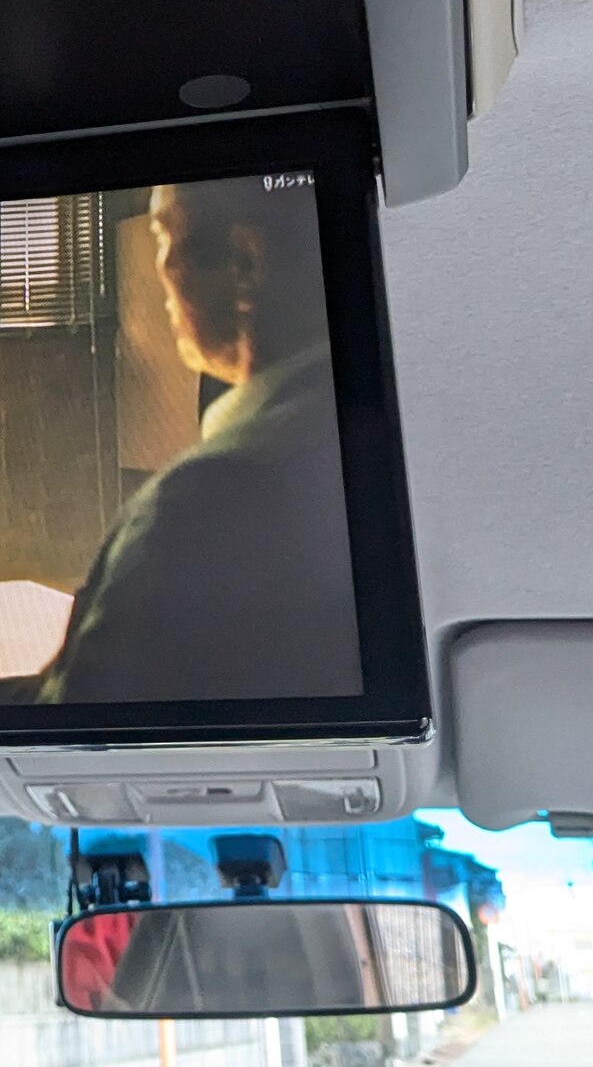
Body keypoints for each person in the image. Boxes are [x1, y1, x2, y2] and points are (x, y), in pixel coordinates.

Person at [37, 178, 365, 702]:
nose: (160, 268)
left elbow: (82, 720)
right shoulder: (359, 443)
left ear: (245, 262)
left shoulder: (199, 504)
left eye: (165, 236)